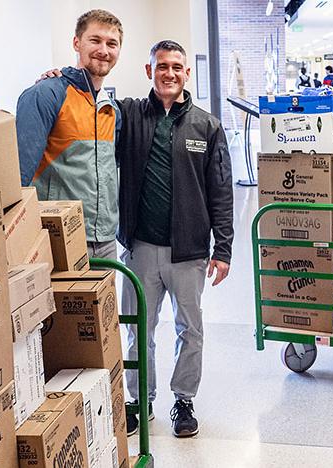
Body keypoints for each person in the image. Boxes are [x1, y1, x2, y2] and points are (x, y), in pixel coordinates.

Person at [113, 40, 235, 439]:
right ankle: (138, 400)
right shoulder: (129, 116)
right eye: (161, 66)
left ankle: (183, 399)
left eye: (176, 67)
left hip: (189, 251)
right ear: (150, 71)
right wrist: (63, 78)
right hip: (142, 247)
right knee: (138, 328)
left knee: (190, 329)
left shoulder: (207, 125)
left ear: (187, 73)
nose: (169, 73)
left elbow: (221, 189)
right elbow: (87, 106)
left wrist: (224, 248)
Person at [16, 9, 124, 260]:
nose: (104, 50)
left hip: (106, 238)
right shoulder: (46, 94)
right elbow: (20, 174)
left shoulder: (111, 109)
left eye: (112, 44)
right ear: (77, 42)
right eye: (95, 40)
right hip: (59, 235)